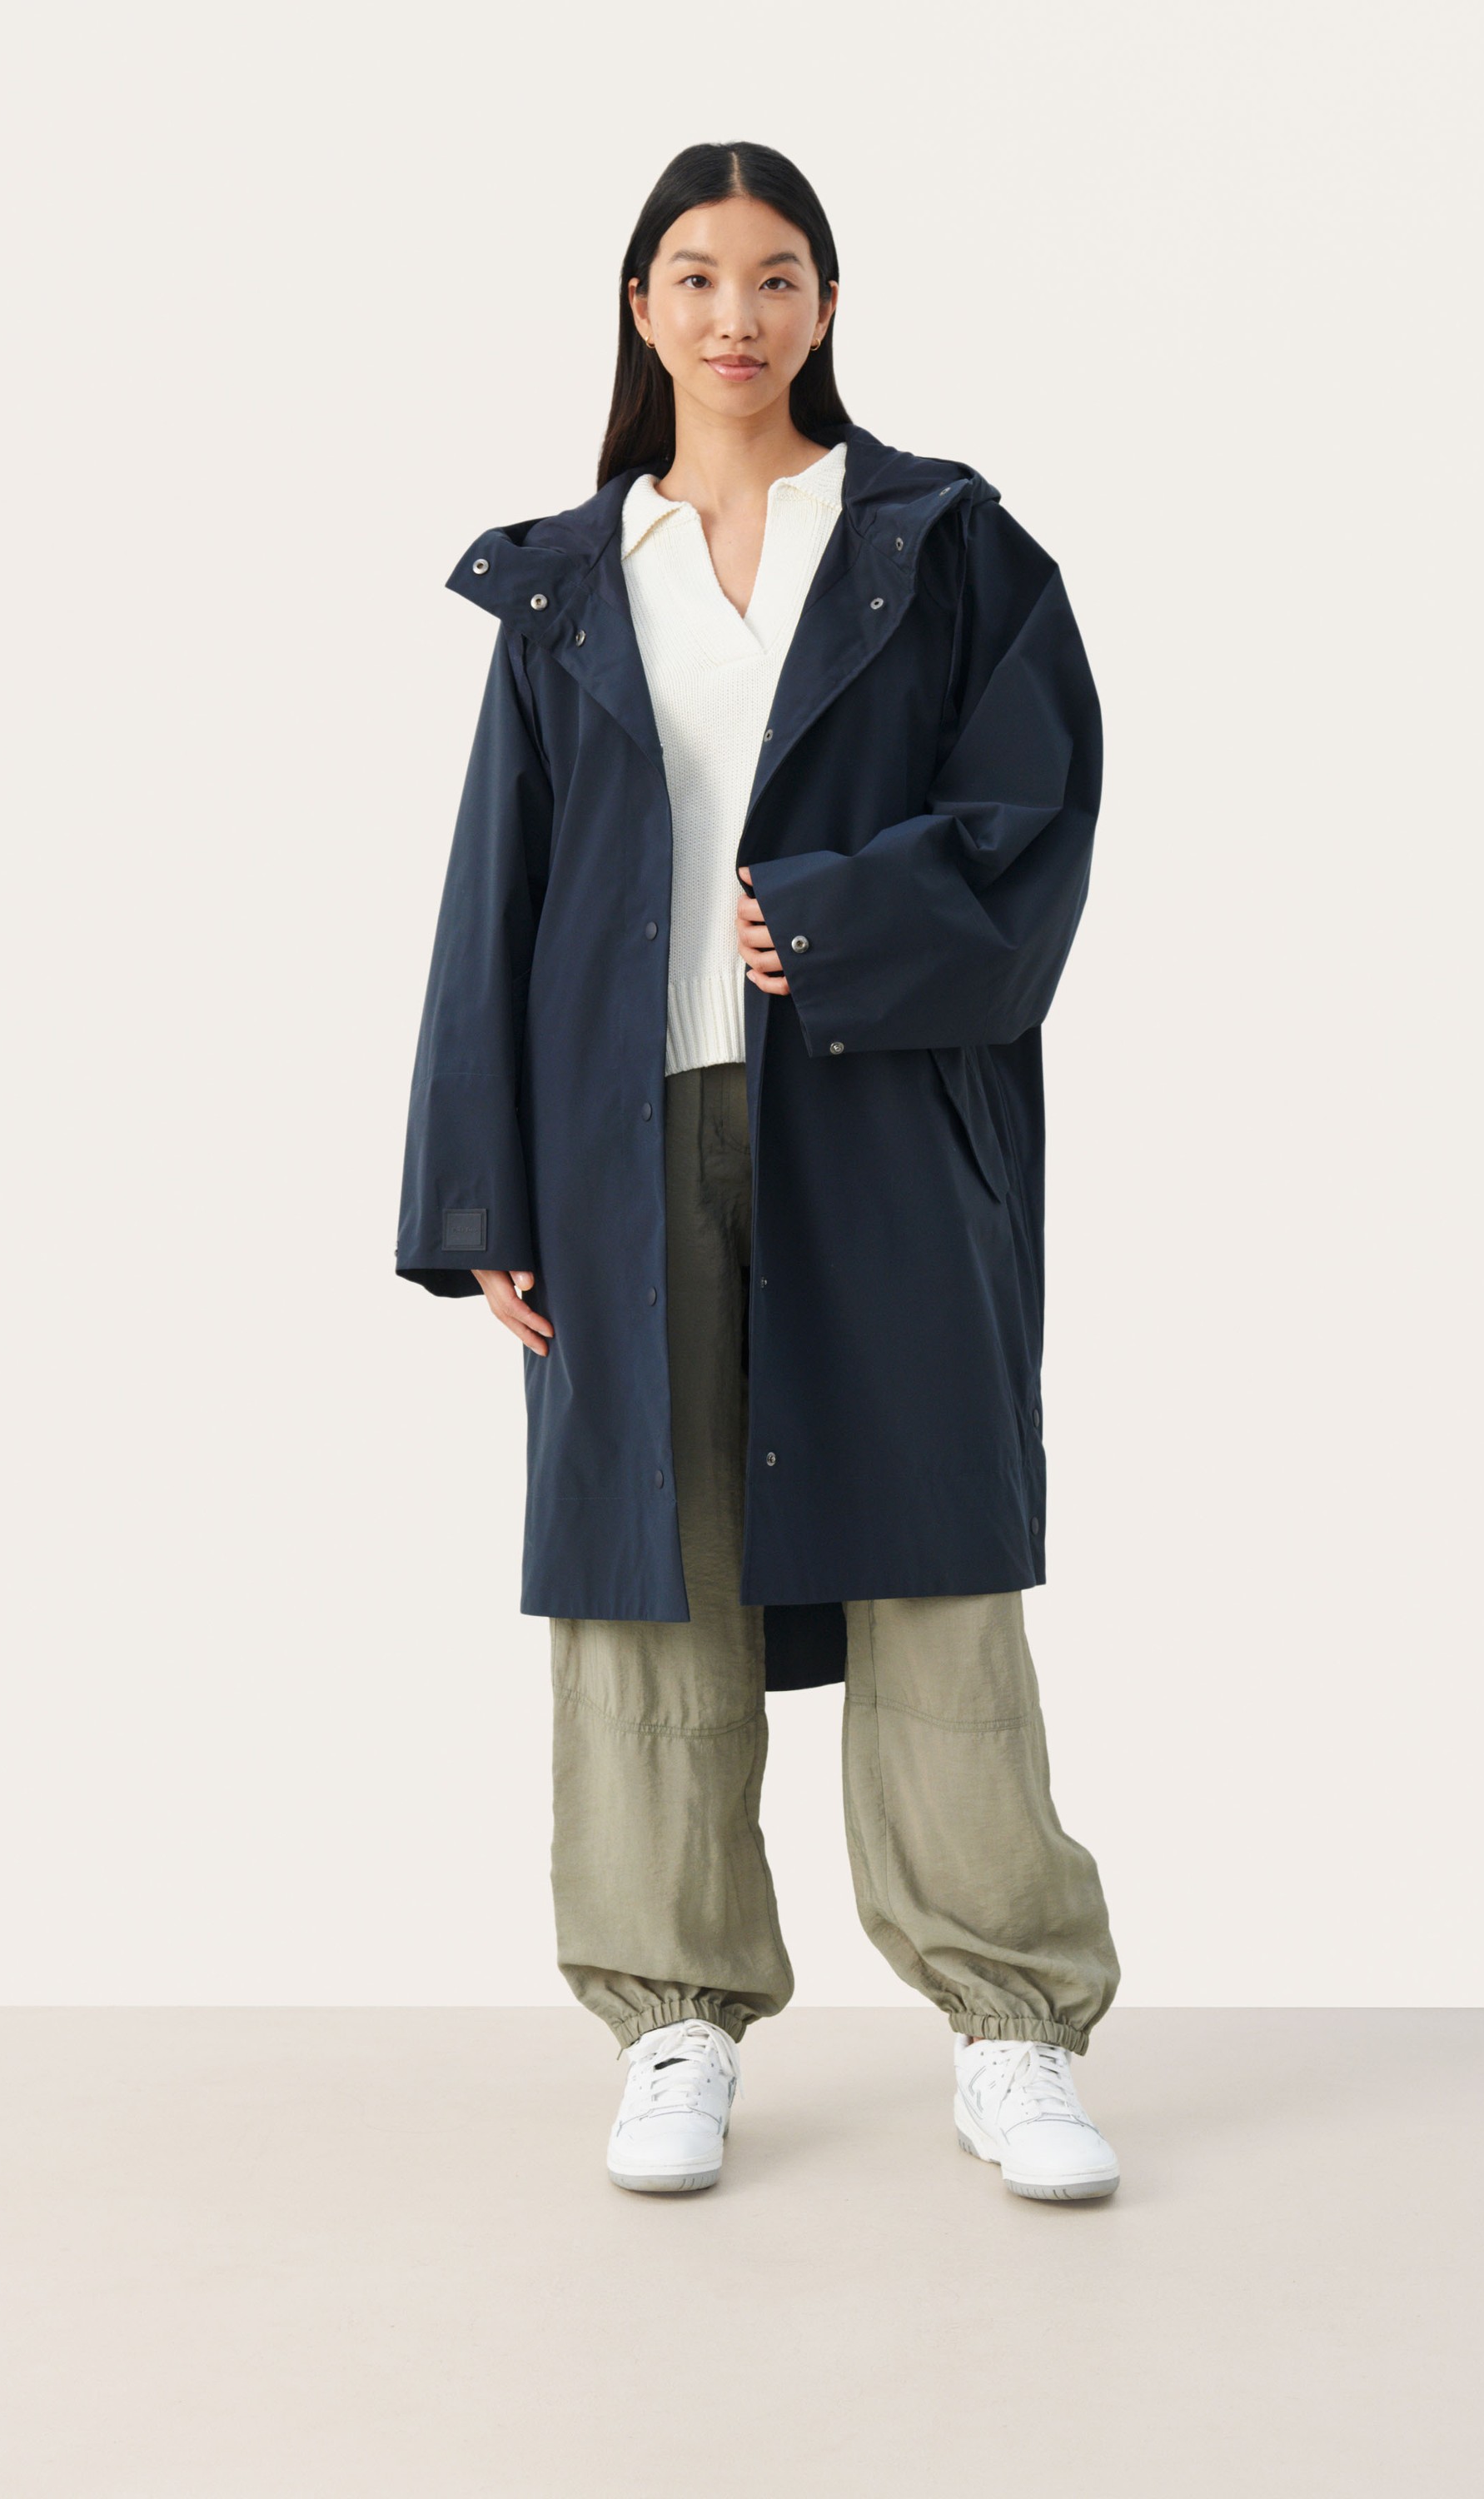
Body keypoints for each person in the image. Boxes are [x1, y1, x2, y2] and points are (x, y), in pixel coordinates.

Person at [396, 141, 1123, 2202]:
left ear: (826, 305)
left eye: (778, 275)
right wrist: (479, 1199)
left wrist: (833, 918)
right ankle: (676, 2018)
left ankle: (1011, 2023)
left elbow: (1037, 811)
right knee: (645, 1577)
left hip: (879, 1122)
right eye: (699, 276)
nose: (739, 313)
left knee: (935, 1565)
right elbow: (496, 893)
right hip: (618, 1137)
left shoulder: (937, 542)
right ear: (641, 306)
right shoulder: (567, 578)